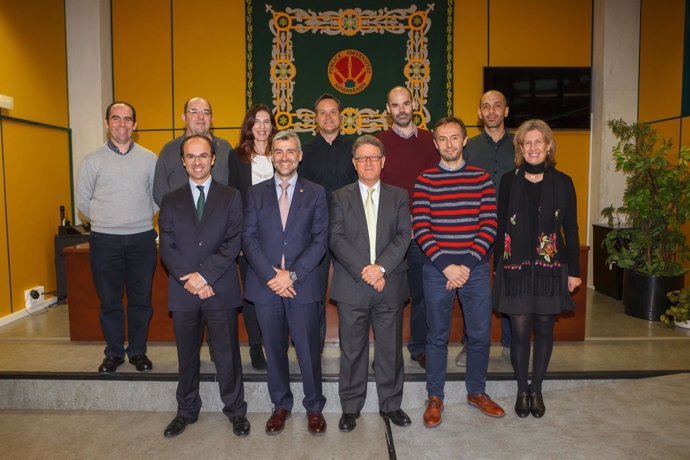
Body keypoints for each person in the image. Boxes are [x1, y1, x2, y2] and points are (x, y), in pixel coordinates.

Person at [412, 116, 505, 428]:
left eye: (454, 138)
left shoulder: (481, 179)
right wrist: (446, 265)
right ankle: (435, 396)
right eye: (442, 139)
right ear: (435, 143)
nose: (449, 144)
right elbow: (421, 228)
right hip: (436, 269)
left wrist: (465, 265)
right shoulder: (424, 180)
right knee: (436, 337)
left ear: (465, 141)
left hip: (475, 269)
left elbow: (489, 225)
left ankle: (476, 392)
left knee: (479, 335)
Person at [158, 135, 249, 438]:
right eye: (190, 156)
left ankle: (236, 411)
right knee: (187, 356)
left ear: (212, 159)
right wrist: (194, 280)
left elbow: (232, 242)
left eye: (203, 156)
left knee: (227, 355)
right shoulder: (170, 201)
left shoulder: (231, 196)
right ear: (183, 161)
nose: (197, 161)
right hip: (184, 292)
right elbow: (168, 248)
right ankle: (186, 411)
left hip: (220, 288)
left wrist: (205, 277)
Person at [492, 119, 581, 418]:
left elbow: (571, 228)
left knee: (544, 328)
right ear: (520, 148)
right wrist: (497, 269)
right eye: (526, 143)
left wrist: (574, 271)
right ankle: (521, 389)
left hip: (550, 268)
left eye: (538, 142)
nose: (532, 148)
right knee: (519, 332)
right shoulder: (507, 180)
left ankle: (537, 390)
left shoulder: (564, 182)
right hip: (515, 269)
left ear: (548, 146)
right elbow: (500, 226)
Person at [242, 130, 328, 436]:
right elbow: (248, 240)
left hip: (301, 285)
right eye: (278, 152)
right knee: (274, 350)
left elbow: (320, 241)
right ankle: (281, 405)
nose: (284, 157)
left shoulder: (316, 193)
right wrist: (271, 276)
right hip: (265, 287)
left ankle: (314, 407)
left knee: (307, 351)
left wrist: (290, 275)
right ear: (272, 156)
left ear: (300, 155)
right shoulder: (255, 193)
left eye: (290, 151)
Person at [329, 135, 412, 432]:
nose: (368, 163)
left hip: (389, 284)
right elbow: (335, 238)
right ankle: (350, 408)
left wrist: (381, 269)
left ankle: (391, 405)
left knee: (390, 349)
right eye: (362, 158)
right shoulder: (340, 196)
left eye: (373, 157)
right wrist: (366, 270)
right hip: (353, 285)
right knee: (352, 350)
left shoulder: (399, 195)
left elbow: (404, 235)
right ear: (354, 163)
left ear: (383, 161)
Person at [76, 101, 158, 374]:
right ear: (107, 123)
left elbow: (156, 198)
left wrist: (138, 217)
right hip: (105, 240)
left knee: (140, 301)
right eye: (116, 118)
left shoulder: (149, 158)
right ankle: (113, 353)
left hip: (142, 239)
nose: (122, 124)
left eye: (127, 119)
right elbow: (83, 202)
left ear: (135, 124)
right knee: (109, 300)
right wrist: (107, 220)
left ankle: (137, 353)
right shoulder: (92, 160)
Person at [377, 85, 439, 369]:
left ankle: (419, 347)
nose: (401, 109)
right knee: (386, 294)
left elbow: (439, 186)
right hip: (387, 234)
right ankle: (385, 351)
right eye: (395, 105)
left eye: (405, 104)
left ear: (414, 105)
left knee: (421, 293)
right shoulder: (378, 143)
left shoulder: (431, 141)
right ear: (388, 110)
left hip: (422, 234)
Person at [456, 90, 514, 366]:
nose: (491, 111)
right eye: (486, 107)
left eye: (497, 106)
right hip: (474, 229)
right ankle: (470, 344)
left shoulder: (520, 144)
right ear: (479, 113)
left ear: (506, 111)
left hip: (513, 229)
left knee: (511, 285)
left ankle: (511, 343)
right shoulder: (469, 147)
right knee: (471, 287)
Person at [299, 93, 358, 353]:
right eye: (322, 112)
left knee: (350, 293)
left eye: (333, 111)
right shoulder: (305, 151)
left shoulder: (355, 148)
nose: (328, 117)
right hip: (316, 231)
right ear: (316, 118)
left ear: (340, 116)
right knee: (314, 292)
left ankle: (352, 347)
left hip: (349, 230)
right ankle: (315, 347)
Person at [228, 104, 277, 371]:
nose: (261, 126)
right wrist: (240, 240)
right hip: (249, 238)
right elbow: (234, 199)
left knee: (277, 292)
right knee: (253, 294)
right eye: (256, 122)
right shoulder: (237, 157)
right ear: (249, 126)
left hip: (279, 236)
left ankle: (275, 344)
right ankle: (256, 346)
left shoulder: (281, 153)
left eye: (266, 121)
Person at [153, 97, 230, 206]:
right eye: (194, 112)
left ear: (211, 118)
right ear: (184, 117)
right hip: (179, 220)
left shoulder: (225, 148)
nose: (201, 117)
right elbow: (159, 192)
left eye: (206, 112)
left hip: (220, 220)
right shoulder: (169, 150)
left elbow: (234, 189)